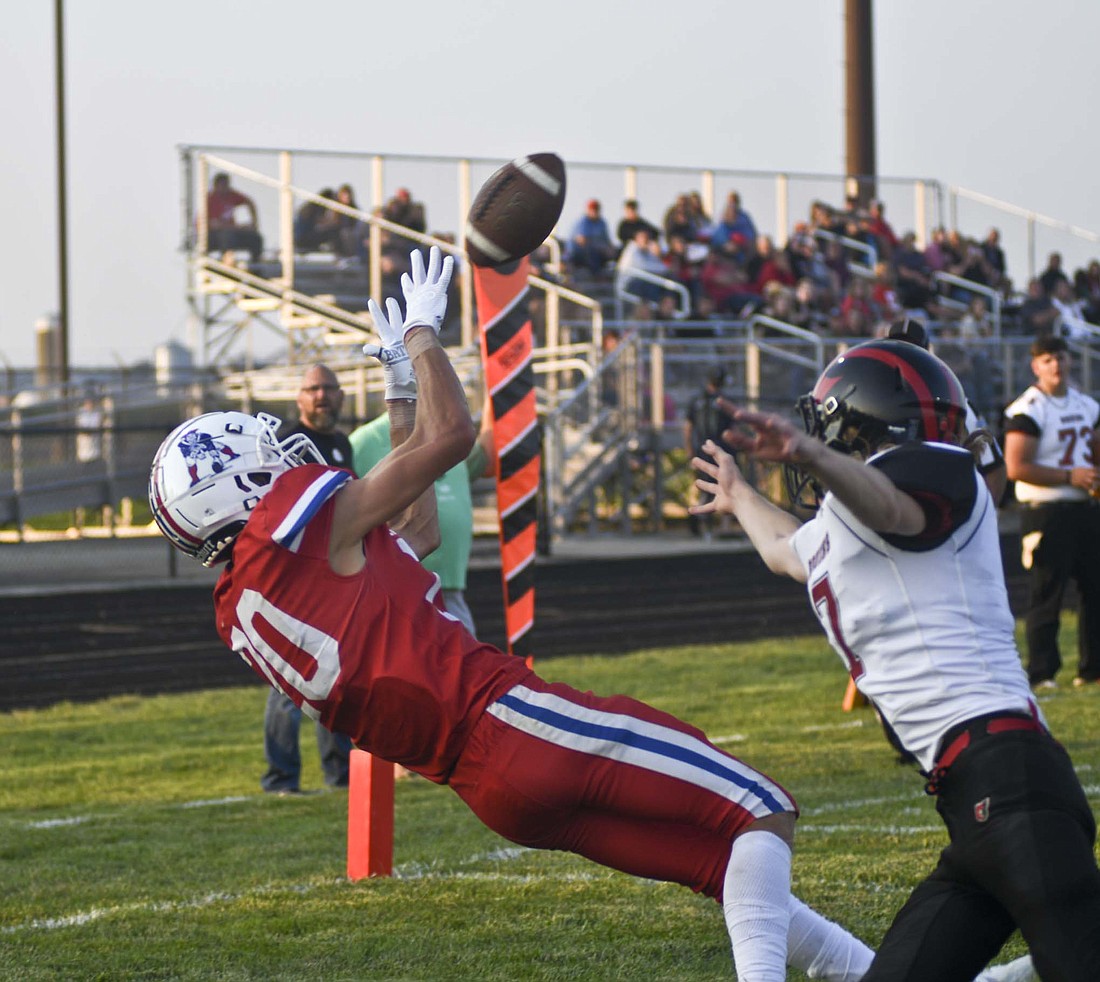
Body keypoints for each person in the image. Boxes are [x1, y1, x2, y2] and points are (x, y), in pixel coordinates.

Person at [151, 245, 883, 982]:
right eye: (255, 448)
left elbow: (418, 530)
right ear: (230, 483)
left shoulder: (248, 603)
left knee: (727, 868)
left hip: (491, 792)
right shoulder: (292, 524)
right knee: (762, 807)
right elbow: (452, 441)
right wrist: (424, 337)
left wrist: (400, 389)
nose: (276, 448)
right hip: (516, 725)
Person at [690, 337, 1092, 981]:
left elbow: (895, 507)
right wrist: (739, 496)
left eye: (825, 430)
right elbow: (788, 550)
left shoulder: (937, 469)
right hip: (974, 806)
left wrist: (808, 451)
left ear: (856, 430)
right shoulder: (837, 528)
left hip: (1012, 781)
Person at [260, 363, 356, 794]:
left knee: (337, 680)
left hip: (333, 577)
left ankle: (340, 775)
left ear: (341, 396)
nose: (322, 396)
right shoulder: (285, 445)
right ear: (299, 398)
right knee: (288, 684)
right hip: (296, 582)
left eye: (329, 388)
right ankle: (281, 779)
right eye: (313, 388)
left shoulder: (341, 444)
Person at [1003, 334, 1100, 689]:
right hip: (1046, 510)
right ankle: (1042, 672)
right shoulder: (1028, 409)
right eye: (1047, 360)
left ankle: (1093, 669)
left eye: (1059, 357)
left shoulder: (1086, 404)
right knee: (1047, 592)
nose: (1055, 365)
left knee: (1095, 589)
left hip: (1084, 507)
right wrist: (1068, 476)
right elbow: (1016, 466)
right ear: (1035, 366)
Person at [348, 401, 495, 636]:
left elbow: (488, 460)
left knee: (467, 667)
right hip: (399, 589)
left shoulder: (451, 434)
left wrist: (493, 392)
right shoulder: (364, 442)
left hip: (452, 590)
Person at [684, 366, 734, 539]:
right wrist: (689, 449)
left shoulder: (715, 400)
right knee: (711, 487)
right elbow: (689, 426)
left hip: (710, 449)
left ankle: (716, 526)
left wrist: (689, 449)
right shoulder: (707, 401)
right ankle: (707, 524)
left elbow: (688, 427)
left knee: (717, 487)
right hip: (712, 449)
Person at [205, 172, 264, 262]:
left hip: (231, 231)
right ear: (216, 186)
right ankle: (227, 263)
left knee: (255, 238)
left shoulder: (231, 195)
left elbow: (249, 202)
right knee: (226, 237)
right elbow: (215, 225)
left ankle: (256, 266)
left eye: (227, 184)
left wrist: (254, 223)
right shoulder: (210, 199)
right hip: (213, 234)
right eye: (223, 185)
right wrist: (239, 227)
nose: (226, 188)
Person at [565, 199, 616, 277]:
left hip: (597, 251)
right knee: (593, 253)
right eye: (592, 209)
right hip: (579, 252)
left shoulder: (602, 222)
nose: (594, 212)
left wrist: (609, 249)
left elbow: (607, 241)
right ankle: (597, 276)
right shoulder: (583, 221)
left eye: (596, 209)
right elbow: (582, 240)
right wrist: (598, 247)